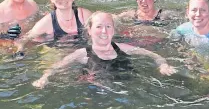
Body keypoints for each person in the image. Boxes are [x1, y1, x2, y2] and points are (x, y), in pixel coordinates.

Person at [32, 12, 176, 88]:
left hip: (129, 88)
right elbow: (56, 67)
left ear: (113, 30)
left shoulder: (124, 48)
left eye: (108, 27)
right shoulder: (82, 54)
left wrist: (163, 64)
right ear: (89, 30)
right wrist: (44, 78)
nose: (104, 31)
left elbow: (154, 56)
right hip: (96, 93)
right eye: (99, 26)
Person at [16, 0, 92, 53]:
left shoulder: (84, 16)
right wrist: (20, 51)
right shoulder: (47, 22)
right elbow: (22, 40)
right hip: (58, 53)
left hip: (82, 52)